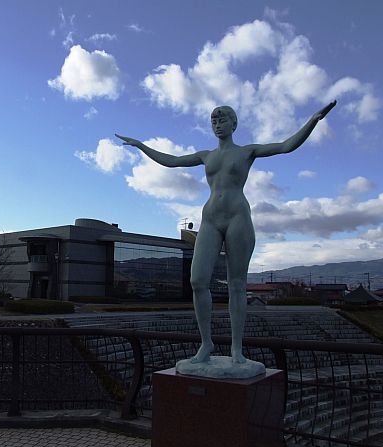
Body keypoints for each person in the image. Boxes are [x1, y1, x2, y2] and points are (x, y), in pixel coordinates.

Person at [116, 100, 336, 365]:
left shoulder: (247, 151)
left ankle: (236, 348)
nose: (217, 125)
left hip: (237, 218)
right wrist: (141, 145)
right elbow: (172, 161)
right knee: (198, 280)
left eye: (222, 120)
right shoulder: (206, 156)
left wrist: (313, 121)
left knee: (237, 284)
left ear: (234, 124)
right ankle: (206, 343)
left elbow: (285, 146)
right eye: (214, 121)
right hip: (210, 219)